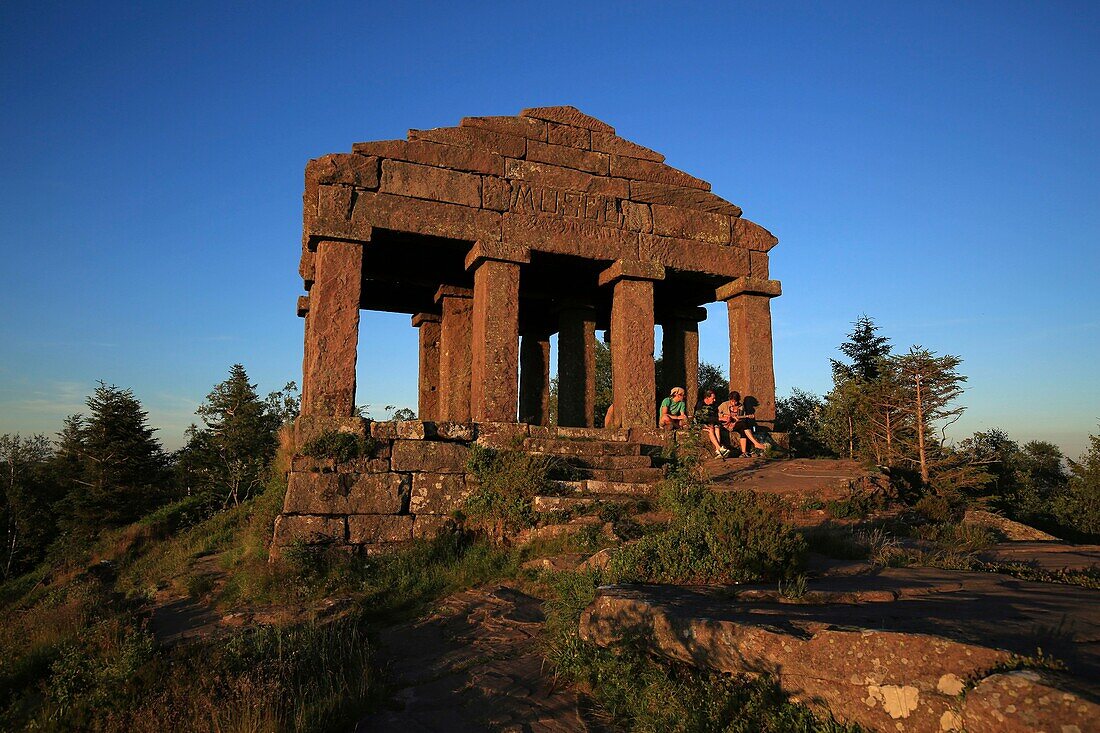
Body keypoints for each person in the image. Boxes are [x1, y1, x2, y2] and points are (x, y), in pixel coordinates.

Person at [719, 390, 767, 456]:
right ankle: (755, 443)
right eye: (732, 401)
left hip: (736, 424)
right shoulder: (724, 405)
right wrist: (726, 416)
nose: (734, 403)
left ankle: (743, 452)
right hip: (726, 425)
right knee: (743, 425)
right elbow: (717, 414)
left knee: (743, 427)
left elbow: (742, 418)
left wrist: (738, 419)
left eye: (735, 401)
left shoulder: (741, 406)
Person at [694, 389, 730, 458]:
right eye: (713, 398)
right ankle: (719, 448)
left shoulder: (714, 405)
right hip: (700, 423)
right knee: (710, 429)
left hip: (711, 422)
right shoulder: (700, 404)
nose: (714, 400)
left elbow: (715, 417)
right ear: (707, 398)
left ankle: (718, 451)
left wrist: (723, 421)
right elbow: (700, 418)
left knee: (717, 427)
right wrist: (718, 419)